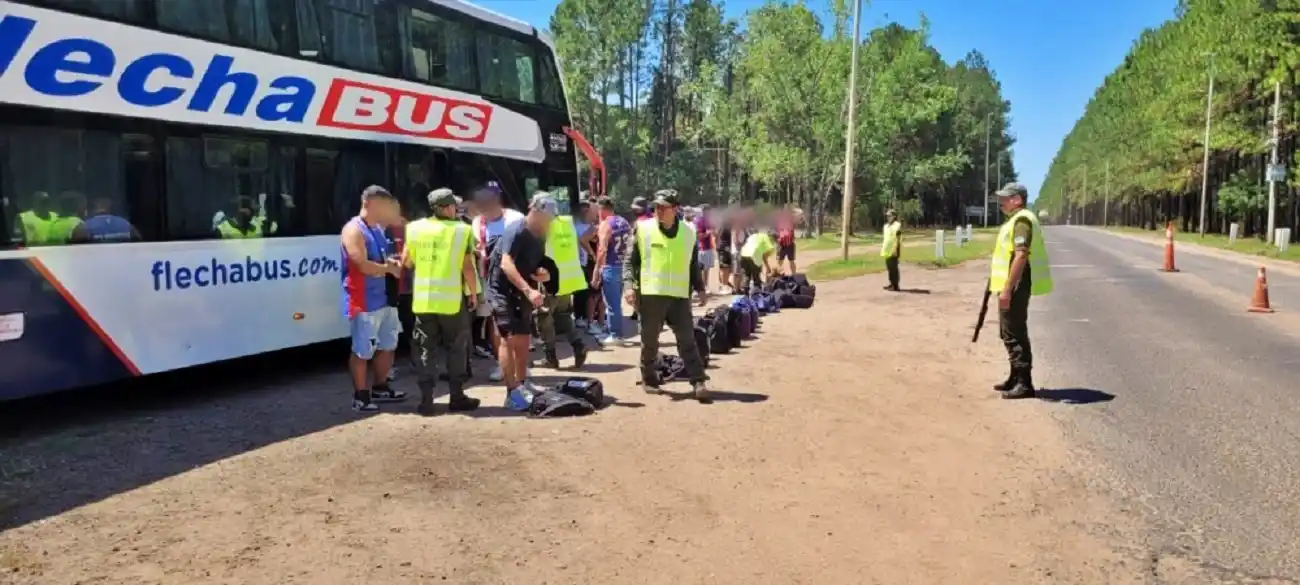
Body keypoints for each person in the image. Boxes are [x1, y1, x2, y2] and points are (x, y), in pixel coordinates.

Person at [624, 190, 712, 402]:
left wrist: (700, 288)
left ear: (675, 209)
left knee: (687, 339)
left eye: (663, 208)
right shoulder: (643, 229)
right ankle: (649, 378)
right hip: (652, 294)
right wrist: (628, 286)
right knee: (650, 340)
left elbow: (692, 264)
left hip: (679, 296)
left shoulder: (689, 232)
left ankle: (698, 381)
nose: (658, 211)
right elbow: (630, 261)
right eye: (656, 207)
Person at [402, 188, 481, 416]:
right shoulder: (461, 230)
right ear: (448, 207)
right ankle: (456, 397)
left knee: (426, 349)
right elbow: (467, 267)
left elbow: (406, 262)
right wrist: (473, 293)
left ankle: (427, 400)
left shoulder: (414, 229)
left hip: (424, 301)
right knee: (456, 349)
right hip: (452, 302)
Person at [341, 185, 408, 412]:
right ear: (369, 203)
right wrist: (388, 269)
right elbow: (360, 263)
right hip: (364, 300)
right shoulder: (353, 230)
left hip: (386, 298)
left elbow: (383, 259)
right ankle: (361, 396)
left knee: (388, 344)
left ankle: (380, 386)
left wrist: (393, 264)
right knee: (362, 349)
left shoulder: (378, 229)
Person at [489, 193, 558, 410]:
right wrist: (528, 290)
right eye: (547, 216)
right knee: (507, 339)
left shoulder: (541, 234)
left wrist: (541, 274)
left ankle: (523, 383)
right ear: (535, 211)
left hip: (522, 292)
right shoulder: (516, 230)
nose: (550, 221)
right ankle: (511, 393)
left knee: (524, 337)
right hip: (502, 291)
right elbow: (506, 264)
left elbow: (533, 261)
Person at [988, 183, 1054, 400]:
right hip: (1014, 283)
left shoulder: (1022, 220)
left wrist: (1007, 289)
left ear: (1018, 199)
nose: (1002, 203)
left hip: (1016, 283)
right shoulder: (1016, 219)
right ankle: (1015, 377)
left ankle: (1024, 383)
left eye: (1006, 199)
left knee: (1013, 333)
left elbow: (1021, 255)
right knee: (1009, 331)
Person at [471, 186, 525, 382]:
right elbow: (476, 248)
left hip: (514, 279)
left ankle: (519, 366)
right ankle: (502, 364)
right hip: (489, 280)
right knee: (495, 325)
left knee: (517, 326)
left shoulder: (516, 219)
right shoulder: (478, 222)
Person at [537, 198, 590, 369]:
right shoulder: (567, 222)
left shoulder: (543, 227)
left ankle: (550, 356)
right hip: (568, 279)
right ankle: (578, 345)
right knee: (563, 315)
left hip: (551, 281)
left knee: (545, 318)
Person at [590, 196, 632, 346]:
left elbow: (602, 250)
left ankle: (615, 335)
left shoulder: (606, 225)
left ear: (601, 209)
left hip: (611, 266)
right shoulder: (624, 222)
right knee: (617, 301)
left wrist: (596, 271)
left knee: (612, 303)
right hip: (624, 265)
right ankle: (612, 331)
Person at [573, 200, 599, 330]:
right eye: (592, 211)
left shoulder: (591, 226)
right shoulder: (577, 226)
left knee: (586, 291)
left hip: (585, 262)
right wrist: (591, 254)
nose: (595, 214)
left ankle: (584, 316)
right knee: (581, 292)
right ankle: (579, 317)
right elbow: (581, 241)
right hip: (579, 262)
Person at [739, 227, 776, 293]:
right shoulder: (767, 239)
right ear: (772, 237)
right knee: (756, 275)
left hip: (743, 254)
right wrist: (768, 268)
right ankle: (757, 293)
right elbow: (764, 257)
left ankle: (745, 291)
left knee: (747, 274)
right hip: (754, 255)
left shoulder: (756, 235)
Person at [694, 204, 718, 292]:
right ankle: (699, 288)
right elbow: (698, 236)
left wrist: (714, 232)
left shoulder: (709, 220)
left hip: (709, 247)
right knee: (700, 269)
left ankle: (705, 286)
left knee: (706, 269)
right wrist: (708, 233)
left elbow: (714, 233)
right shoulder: (699, 221)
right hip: (702, 248)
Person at [880, 209, 902, 291]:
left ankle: (896, 285)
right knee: (889, 268)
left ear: (894, 216)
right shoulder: (885, 226)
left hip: (894, 249)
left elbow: (898, 238)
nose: (888, 217)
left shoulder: (897, 225)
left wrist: (895, 249)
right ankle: (891, 283)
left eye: (890, 216)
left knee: (894, 268)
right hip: (886, 250)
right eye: (887, 216)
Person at [716, 206, 735, 293]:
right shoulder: (725, 224)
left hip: (723, 247)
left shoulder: (724, 224)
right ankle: (724, 286)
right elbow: (718, 235)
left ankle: (723, 285)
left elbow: (717, 235)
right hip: (724, 248)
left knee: (724, 268)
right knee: (725, 268)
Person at [774, 208, 797, 275]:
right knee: (780, 262)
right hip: (781, 245)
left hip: (789, 244)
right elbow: (773, 233)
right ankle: (778, 276)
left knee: (791, 261)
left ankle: (794, 276)